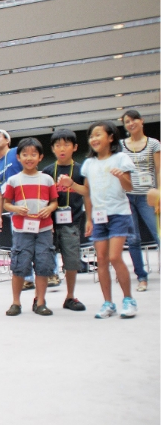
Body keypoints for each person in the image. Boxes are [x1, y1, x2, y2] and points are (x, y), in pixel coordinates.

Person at [81, 121, 138, 319]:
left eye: (98, 134)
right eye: (91, 136)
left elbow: (129, 188)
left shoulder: (121, 158)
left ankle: (129, 300)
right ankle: (108, 303)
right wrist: (88, 218)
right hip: (98, 217)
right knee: (102, 260)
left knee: (115, 257)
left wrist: (121, 176)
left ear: (111, 137)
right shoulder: (89, 164)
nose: (94, 139)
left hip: (119, 214)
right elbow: (87, 193)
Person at [3, 138, 58, 316]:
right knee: (19, 266)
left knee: (43, 265)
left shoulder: (47, 179)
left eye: (33, 154)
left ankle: (40, 301)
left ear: (40, 157)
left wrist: (49, 208)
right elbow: (6, 204)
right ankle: (16, 303)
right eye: (25, 154)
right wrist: (16, 208)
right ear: (18, 157)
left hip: (44, 229)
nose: (29, 158)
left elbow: (54, 202)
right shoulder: (13, 180)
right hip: (21, 229)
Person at [45, 129, 89, 312]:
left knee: (71, 261)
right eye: (57, 145)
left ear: (75, 147)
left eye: (66, 144)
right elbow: (44, 199)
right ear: (53, 149)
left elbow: (87, 192)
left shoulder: (80, 169)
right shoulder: (48, 171)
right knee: (44, 260)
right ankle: (39, 298)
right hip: (50, 224)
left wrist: (72, 184)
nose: (62, 148)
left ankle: (70, 297)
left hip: (72, 222)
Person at [0, 125, 34, 291]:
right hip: (14, 210)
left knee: (41, 240)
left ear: (7, 140)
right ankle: (27, 278)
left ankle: (50, 273)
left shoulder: (16, 153)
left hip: (32, 203)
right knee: (20, 245)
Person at [120, 110, 160, 292]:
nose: (131, 123)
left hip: (148, 196)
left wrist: (159, 194)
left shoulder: (153, 144)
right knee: (133, 239)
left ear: (142, 121)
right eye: (127, 121)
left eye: (134, 119)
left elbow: (159, 170)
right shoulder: (121, 145)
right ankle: (141, 277)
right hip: (127, 196)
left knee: (158, 234)